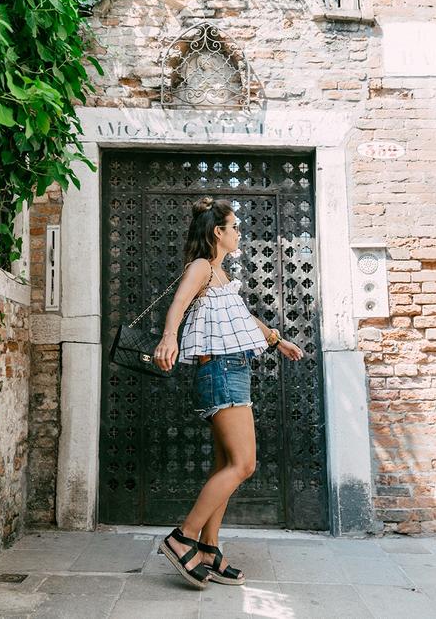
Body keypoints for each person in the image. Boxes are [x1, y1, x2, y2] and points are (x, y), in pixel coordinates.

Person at [154, 196, 304, 589]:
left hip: (232, 367)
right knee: (244, 464)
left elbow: (242, 316)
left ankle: (209, 548)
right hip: (220, 369)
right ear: (218, 232)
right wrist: (169, 337)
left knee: (225, 466)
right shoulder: (202, 267)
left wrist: (276, 340)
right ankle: (182, 537)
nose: (239, 233)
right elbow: (178, 304)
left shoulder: (220, 275)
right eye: (235, 227)